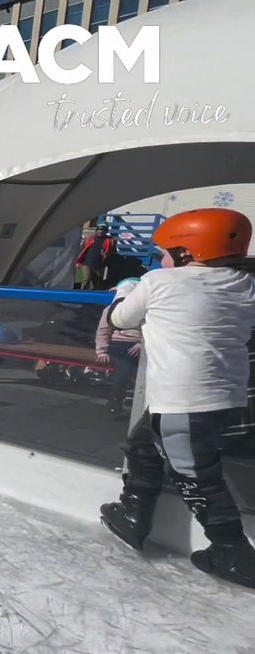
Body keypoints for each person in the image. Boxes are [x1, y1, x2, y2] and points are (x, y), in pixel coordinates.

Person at [102, 207, 255, 589]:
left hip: (182, 402)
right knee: (142, 444)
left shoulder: (158, 283)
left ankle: (233, 553)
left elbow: (120, 319)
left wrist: (125, 291)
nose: (160, 260)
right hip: (228, 399)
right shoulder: (244, 283)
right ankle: (134, 513)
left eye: (164, 253)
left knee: (197, 478)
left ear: (187, 253)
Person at [95, 277, 144, 419]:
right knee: (125, 367)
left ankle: (118, 398)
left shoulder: (145, 310)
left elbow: (151, 330)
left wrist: (141, 343)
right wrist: (101, 350)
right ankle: (117, 398)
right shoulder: (110, 310)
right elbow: (103, 331)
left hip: (138, 345)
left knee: (128, 367)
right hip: (118, 344)